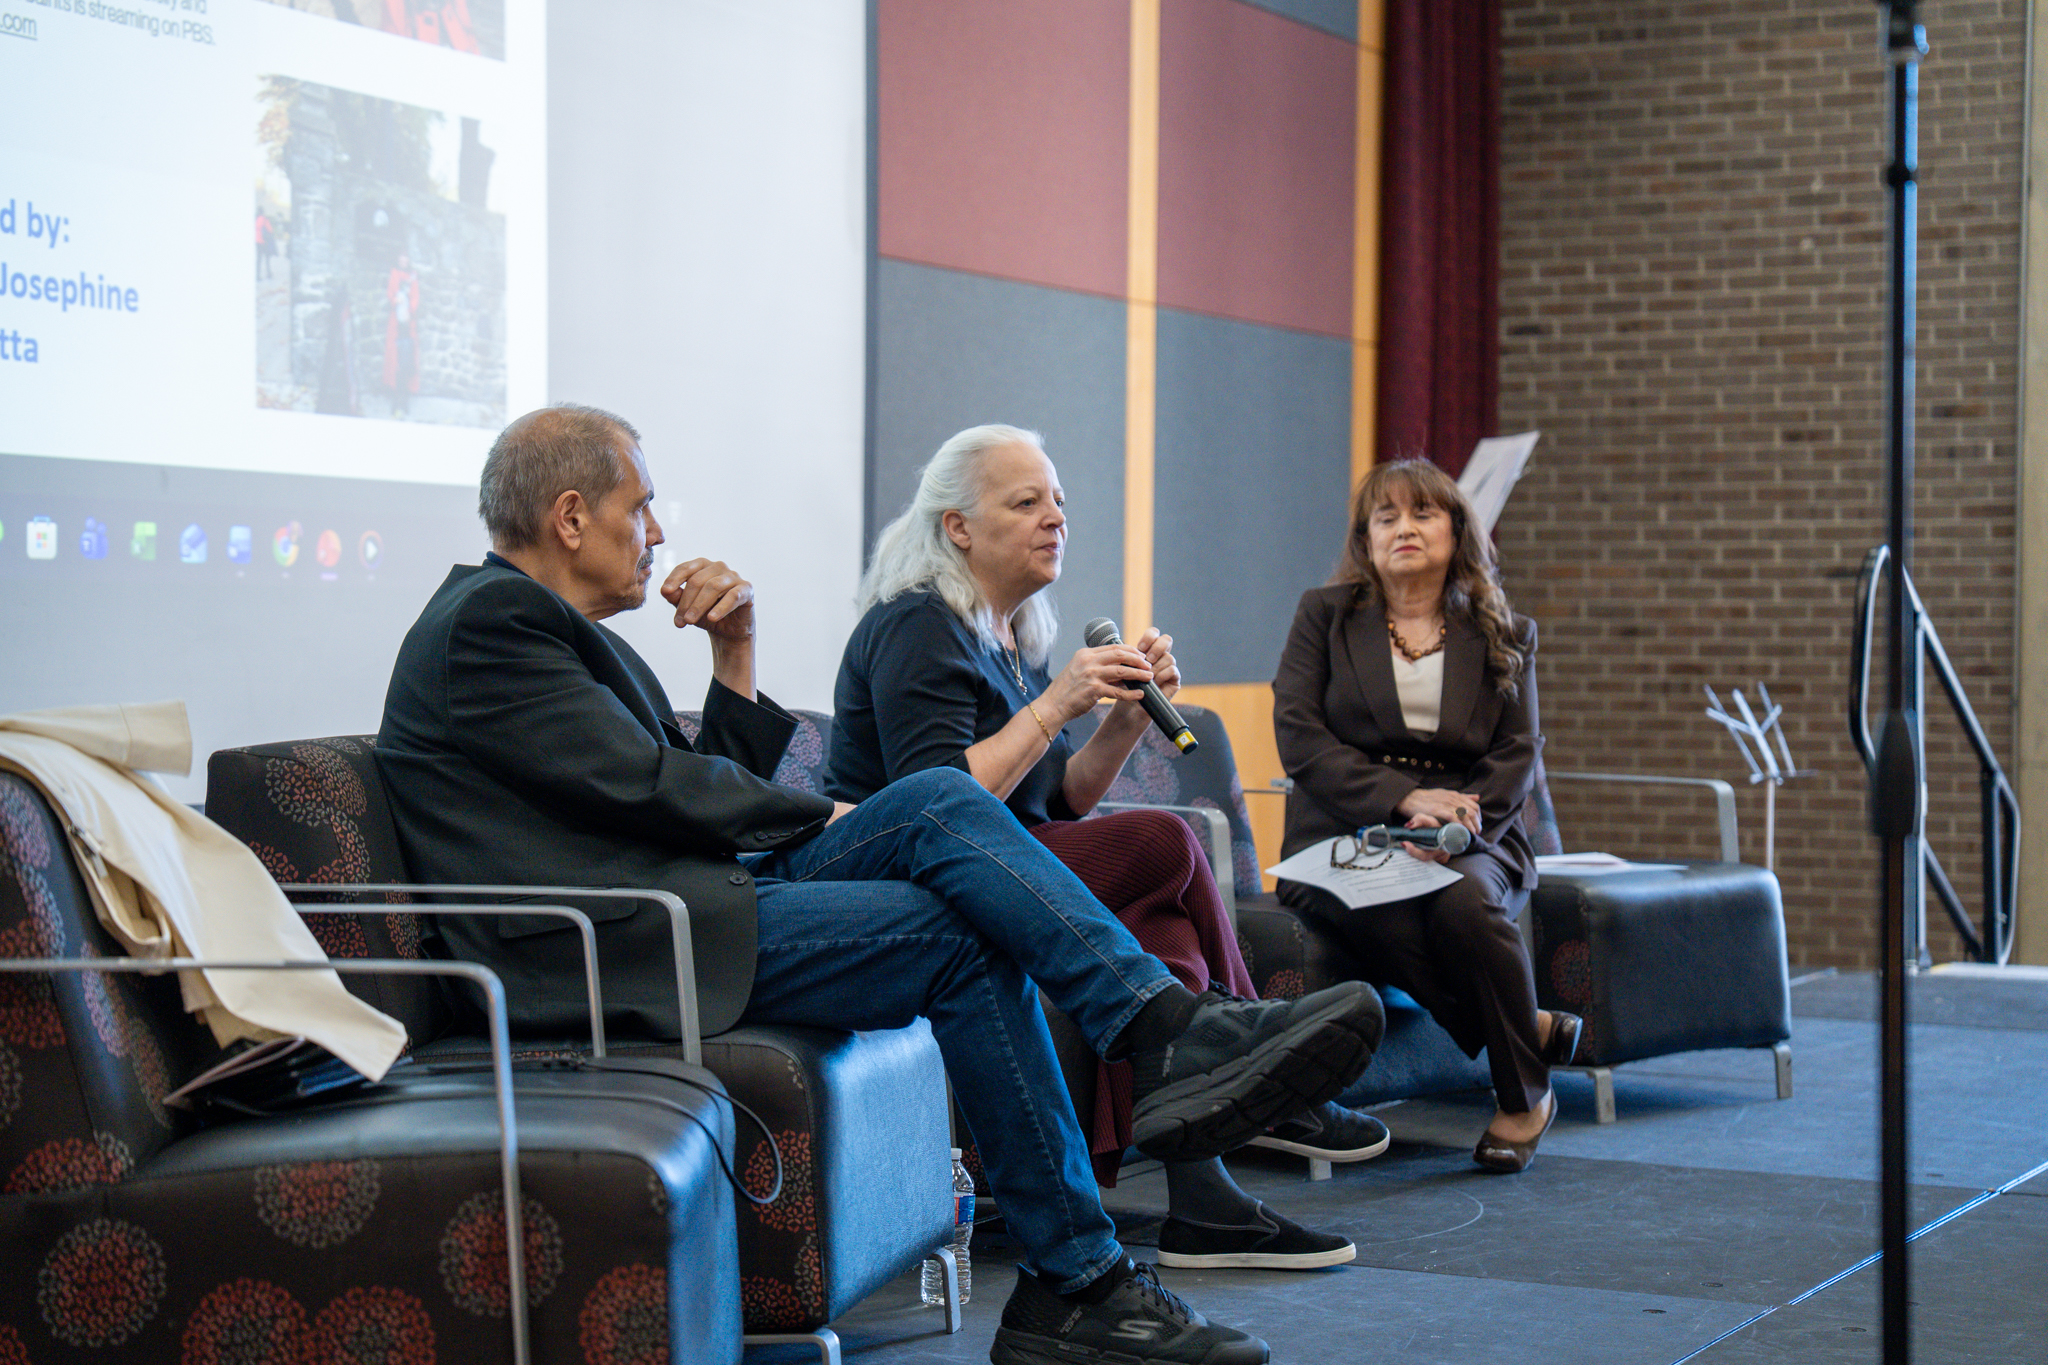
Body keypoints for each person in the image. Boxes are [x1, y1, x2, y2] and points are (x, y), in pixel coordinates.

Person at [376, 405, 1386, 1365]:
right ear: (569, 517)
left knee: (937, 806)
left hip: (688, 904)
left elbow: (667, 783)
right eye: (639, 508)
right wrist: (819, 815)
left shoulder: (548, 633)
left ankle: (1139, 1100)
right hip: (615, 947)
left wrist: (735, 652)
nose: (656, 532)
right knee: (955, 894)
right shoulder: (492, 624)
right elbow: (648, 786)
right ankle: (1100, 1216)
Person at [826, 424, 1391, 1271]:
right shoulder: (917, 624)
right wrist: (1056, 704)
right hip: (914, 877)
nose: (1056, 517)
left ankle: (1207, 1203)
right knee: (1164, 840)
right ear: (958, 527)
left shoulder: (1008, 633)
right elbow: (934, 804)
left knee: (1162, 927)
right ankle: (1262, 1075)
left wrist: (1125, 719)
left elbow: (1060, 798)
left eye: (1059, 501)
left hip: (1002, 862)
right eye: (1027, 502)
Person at [1272, 457, 1580, 1174]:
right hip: (1345, 825)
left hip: (1472, 825)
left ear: (1457, 531)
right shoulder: (1324, 615)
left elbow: (1518, 750)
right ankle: (1523, 1035)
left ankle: (1523, 1100)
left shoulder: (1507, 631)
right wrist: (1404, 799)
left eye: (1423, 513)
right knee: (1377, 902)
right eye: (1386, 517)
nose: (1404, 528)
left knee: (1465, 905)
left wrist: (1457, 830)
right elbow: (1299, 735)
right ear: (1366, 540)